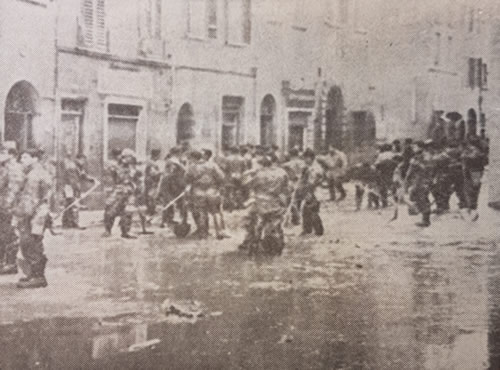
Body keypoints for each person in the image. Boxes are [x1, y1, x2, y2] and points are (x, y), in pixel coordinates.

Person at [14, 148, 53, 288]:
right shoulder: (32, 172)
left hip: (35, 215)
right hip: (34, 213)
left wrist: (21, 216)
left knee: (31, 243)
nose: (21, 160)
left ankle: (38, 277)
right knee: (29, 243)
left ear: (34, 158)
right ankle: (33, 274)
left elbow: (30, 199)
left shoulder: (35, 175)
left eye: (25, 157)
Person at [240, 153, 289, 255]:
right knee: (277, 224)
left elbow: (247, 185)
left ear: (262, 164)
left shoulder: (259, 174)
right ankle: (279, 245)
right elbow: (286, 188)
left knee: (253, 223)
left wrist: (248, 172)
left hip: (260, 203)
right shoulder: (282, 172)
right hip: (276, 202)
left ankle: (252, 245)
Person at [185, 151, 226, 239]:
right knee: (216, 211)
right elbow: (221, 176)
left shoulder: (192, 167)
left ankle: (203, 234)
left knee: (201, 212)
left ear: (193, 158)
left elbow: (186, 179)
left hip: (198, 191)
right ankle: (219, 232)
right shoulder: (212, 165)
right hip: (212, 190)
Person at [103, 149, 142, 238]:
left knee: (128, 211)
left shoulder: (133, 168)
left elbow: (137, 179)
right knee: (110, 210)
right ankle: (107, 230)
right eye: (130, 157)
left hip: (129, 191)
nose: (131, 159)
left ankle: (126, 231)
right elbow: (111, 178)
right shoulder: (114, 166)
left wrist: (136, 188)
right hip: (118, 190)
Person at [0, 148, 24, 275]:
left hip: (7, 207)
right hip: (3, 206)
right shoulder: (4, 167)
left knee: (8, 234)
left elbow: (13, 190)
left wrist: (7, 207)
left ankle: (10, 264)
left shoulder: (13, 168)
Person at [405, 140, 435, 227]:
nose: (413, 148)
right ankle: (422, 215)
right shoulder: (421, 156)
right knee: (419, 197)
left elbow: (427, 167)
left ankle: (425, 220)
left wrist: (416, 164)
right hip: (422, 180)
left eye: (415, 147)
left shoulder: (422, 156)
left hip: (422, 180)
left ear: (420, 147)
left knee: (422, 198)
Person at [61, 153, 95, 229]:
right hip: (70, 188)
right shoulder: (72, 167)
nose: (83, 162)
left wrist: (91, 179)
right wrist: (78, 191)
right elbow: (73, 181)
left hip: (71, 187)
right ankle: (74, 223)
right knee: (74, 205)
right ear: (78, 159)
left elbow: (83, 174)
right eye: (82, 160)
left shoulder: (78, 166)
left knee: (69, 205)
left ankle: (67, 223)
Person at [157, 147, 187, 228]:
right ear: (177, 152)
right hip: (171, 183)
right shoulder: (173, 161)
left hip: (173, 183)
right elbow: (170, 174)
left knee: (169, 201)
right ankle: (165, 220)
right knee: (169, 201)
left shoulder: (175, 161)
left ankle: (167, 219)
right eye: (180, 152)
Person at [298, 149, 324, 236]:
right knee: (306, 210)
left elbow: (314, 182)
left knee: (312, 210)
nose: (305, 160)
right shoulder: (308, 167)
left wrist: (308, 191)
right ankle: (308, 229)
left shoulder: (316, 168)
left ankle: (318, 230)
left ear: (311, 158)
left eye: (306, 158)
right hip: (310, 191)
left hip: (315, 192)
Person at [462, 135, 487, 221]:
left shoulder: (475, 152)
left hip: (475, 172)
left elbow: (470, 158)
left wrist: (466, 155)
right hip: (472, 172)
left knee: (473, 190)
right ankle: (471, 209)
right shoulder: (475, 151)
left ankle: (473, 210)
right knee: (470, 190)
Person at [281, 148, 306, 225]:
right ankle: (296, 218)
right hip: (302, 183)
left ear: (290, 155)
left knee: (291, 201)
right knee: (298, 201)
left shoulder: (288, 164)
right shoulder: (303, 163)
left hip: (292, 183)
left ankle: (296, 218)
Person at [144, 149, 163, 217]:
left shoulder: (150, 161)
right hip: (151, 181)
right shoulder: (151, 162)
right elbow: (152, 173)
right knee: (151, 196)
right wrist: (160, 172)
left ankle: (151, 209)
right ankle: (151, 210)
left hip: (151, 181)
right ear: (156, 155)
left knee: (151, 196)